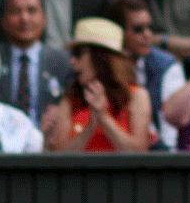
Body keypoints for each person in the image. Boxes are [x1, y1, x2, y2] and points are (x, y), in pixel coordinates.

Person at [42, 17, 155, 152]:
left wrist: (103, 118)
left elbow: (138, 153)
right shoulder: (70, 100)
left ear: (100, 57)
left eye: (78, 54)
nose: (72, 61)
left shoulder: (136, 96)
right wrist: (90, 127)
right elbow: (61, 157)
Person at [0, 0, 70, 127]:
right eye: (16, 11)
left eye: (32, 10)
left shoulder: (63, 62)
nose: (24, 18)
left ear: (44, 18)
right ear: (3, 21)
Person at [112, 0, 183, 149]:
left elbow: (170, 139)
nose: (147, 35)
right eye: (138, 29)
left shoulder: (167, 67)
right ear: (118, 32)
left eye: (149, 27)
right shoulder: (105, 67)